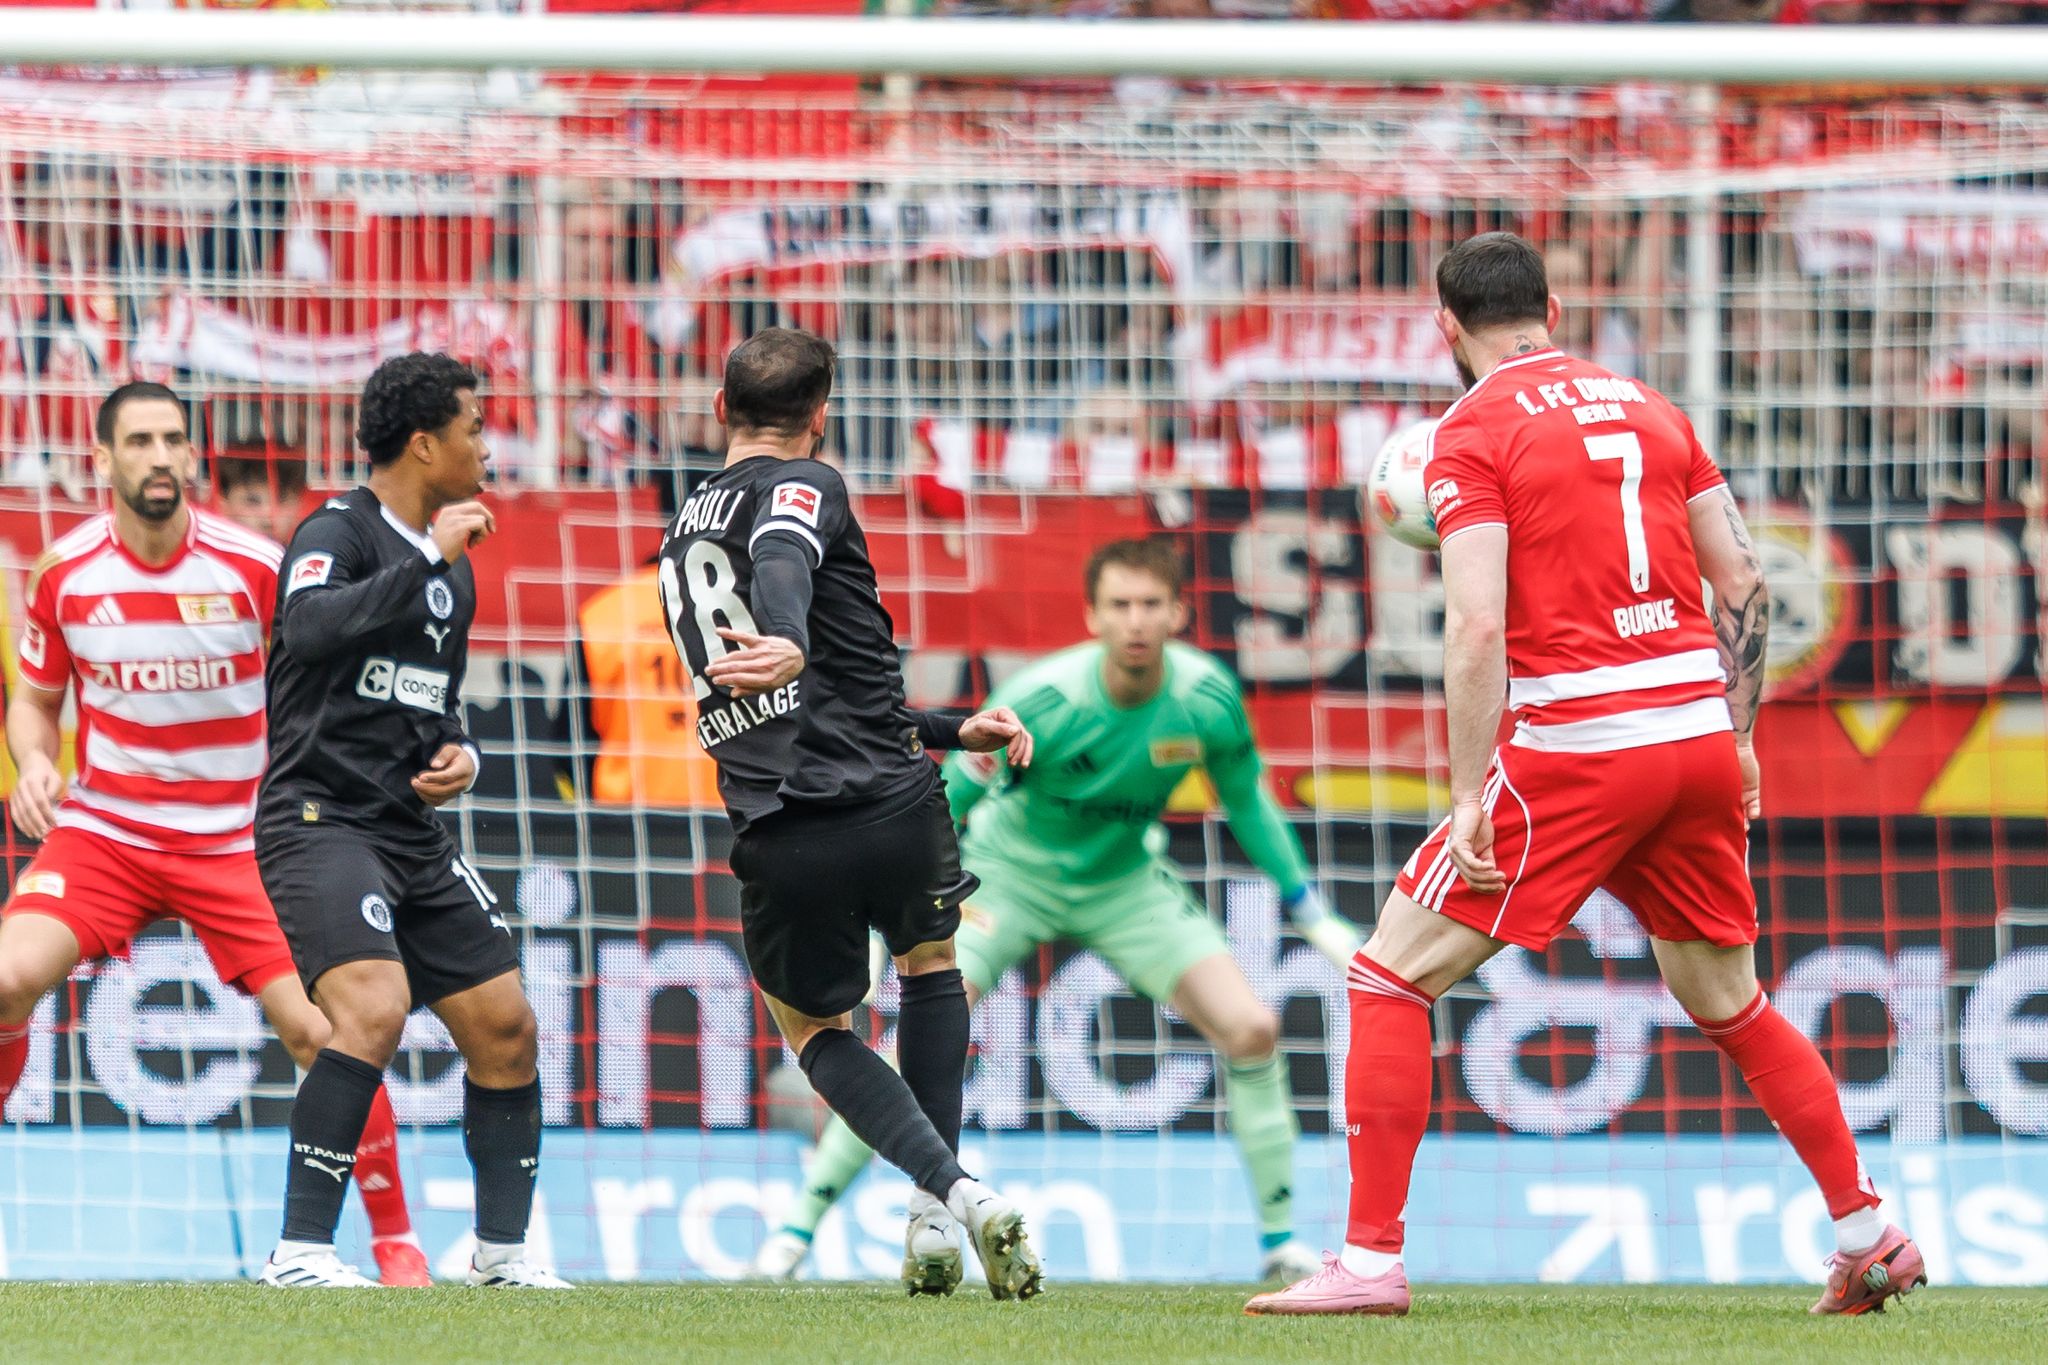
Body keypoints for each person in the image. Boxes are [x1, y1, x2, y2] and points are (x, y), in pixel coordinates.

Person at [1246, 233, 1924, 1317]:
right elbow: (1744, 581)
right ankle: (1866, 1230)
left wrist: (1469, 791)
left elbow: (1475, 626)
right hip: (1693, 736)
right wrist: (1740, 736)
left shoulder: (1469, 433)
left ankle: (1367, 1263)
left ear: (1444, 326)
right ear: (1552, 310)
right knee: (1730, 1001)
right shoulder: (1652, 408)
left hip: (1579, 744)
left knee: (1386, 976)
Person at [755, 537, 1363, 1286]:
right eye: (1120, 605)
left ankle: (1281, 1243)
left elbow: (1246, 799)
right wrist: (894, 906)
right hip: (1011, 874)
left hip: (1125, 879)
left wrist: (1309, 908)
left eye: (1150, 604)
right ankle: (794, 1233)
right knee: (923, 1032)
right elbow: (949, 794)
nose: (1135, 620)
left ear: (1178, 613)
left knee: (1252, 1028)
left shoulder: (1206, 699)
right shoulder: (1049, 700)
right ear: (1093, 616)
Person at [0, 381, 427, 1287]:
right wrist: (35, 762)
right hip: (107, 832)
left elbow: (337, 682)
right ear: (102, 459)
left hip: (241, 837)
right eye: (140, 441)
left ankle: (397, 1245)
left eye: (173, 440)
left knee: (328, 1028)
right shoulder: (65, 573)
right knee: (5, 979)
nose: (160, 457)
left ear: (192, 457)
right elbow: (34, 703)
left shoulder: (256, 567)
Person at [657, 327, 1043, 1300]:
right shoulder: (808, 483)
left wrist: (952, 728)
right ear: (821, 418)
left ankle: (951, 1199)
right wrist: (790, 635)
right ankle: (936, 1212)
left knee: (817, 1031)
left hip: (785, 826)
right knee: (930, 968)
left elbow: (822, 684)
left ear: (720, 409)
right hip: (895, 806)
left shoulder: (681, 530)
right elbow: (784, 552)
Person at [255, 353, 563, 1290]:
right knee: (373, 1008)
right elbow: (309, 628)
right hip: (320, 818)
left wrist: (461, 754)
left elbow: (433, 704)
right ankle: (300, 1252)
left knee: (507, 1025)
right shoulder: (336, 531)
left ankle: (501, 1258)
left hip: (408, 830)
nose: (487, 447)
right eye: (475, 428)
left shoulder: (451, 576)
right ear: (426, 444)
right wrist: (430, 556)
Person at [214, 449, 309, 544]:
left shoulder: (309, 550)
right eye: (252, 501)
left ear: (299, 504)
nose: (268, 520)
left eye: (281, 500)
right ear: (223, 503)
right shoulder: (208, 552)